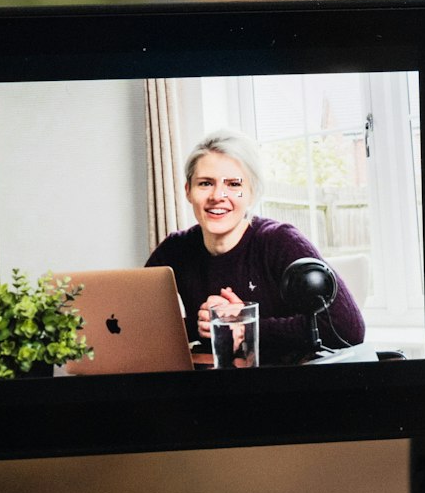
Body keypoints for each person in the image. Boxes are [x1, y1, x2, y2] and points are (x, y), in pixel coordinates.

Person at [144, 130, 365, 365]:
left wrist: (247, 326)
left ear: (252, 194)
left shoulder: (280, 241)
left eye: (233, 184)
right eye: (205, 183)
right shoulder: (175, 249)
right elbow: (132, 323)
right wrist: (204, 326)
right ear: (188, 191)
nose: (218, 195)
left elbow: (348, 328)